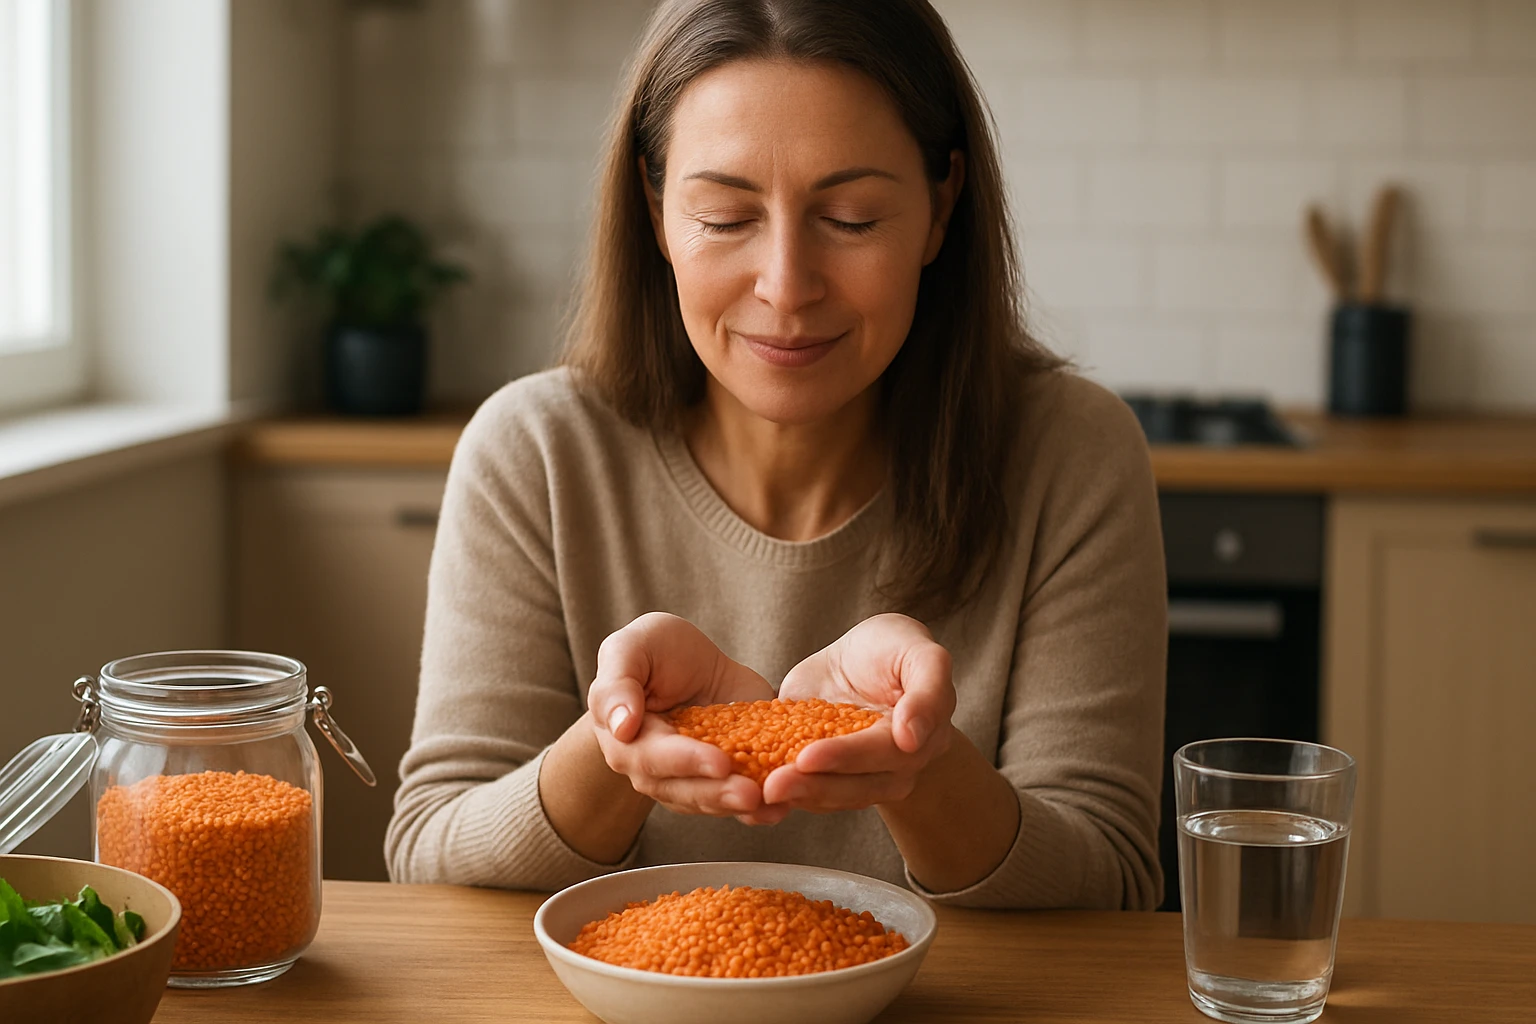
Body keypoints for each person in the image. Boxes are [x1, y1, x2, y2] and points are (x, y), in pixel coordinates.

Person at [386, 0, 1167, 911]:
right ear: (655, 207)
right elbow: (428, 853)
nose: (787, 287)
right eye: (724, 217)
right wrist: (617, 743)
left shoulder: (1071, 453)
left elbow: (1113, 885)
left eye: (852, 217)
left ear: (941, 205)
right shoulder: (535, 453)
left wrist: (920, 762)